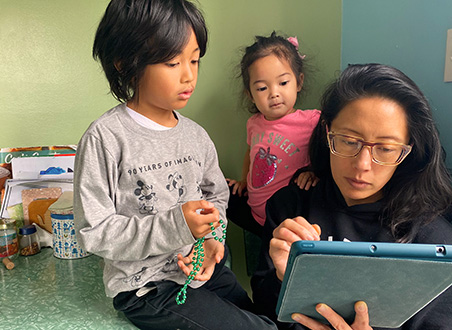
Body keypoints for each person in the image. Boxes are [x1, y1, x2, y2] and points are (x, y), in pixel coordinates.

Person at [73, 1, 276, 329]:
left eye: (194, 60)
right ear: (125, 63)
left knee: (268, 320)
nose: (188, 75)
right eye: (171, 62)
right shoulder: (105, 138)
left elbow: (217, 198)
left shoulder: (196, 136)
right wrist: (175, 226)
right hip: (146, 286)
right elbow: (93, 232)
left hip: (198, 273)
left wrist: (214, 240)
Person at [251, 63, 452, 329]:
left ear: (408, 152)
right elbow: (264, 311)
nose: (362, 164)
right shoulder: (291, 206)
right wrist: (282, 279)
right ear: (327, 133)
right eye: (348, 140)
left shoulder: (431, 240)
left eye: (385, 149)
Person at [226, 32, 320, 237]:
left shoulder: (312, 121)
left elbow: (329, 157)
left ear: (299, 81)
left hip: (289, 220)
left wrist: (313, 172)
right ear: (250, 95)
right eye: (262, 88)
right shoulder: (254, 124)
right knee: (221, 190)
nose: (274, 93)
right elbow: (250, 155)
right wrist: (244, 181)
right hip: (255, 213)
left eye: (283, 83)